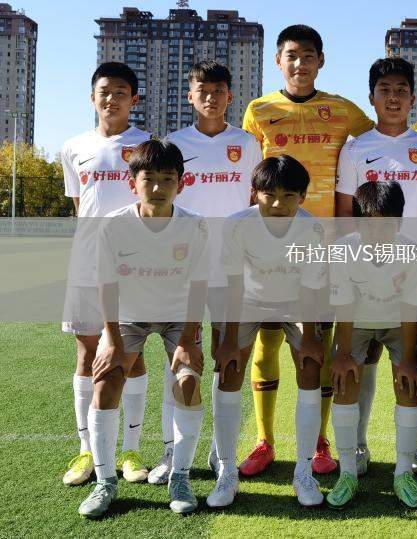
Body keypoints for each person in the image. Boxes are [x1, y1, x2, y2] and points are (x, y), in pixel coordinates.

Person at [78, 139, 209, 517]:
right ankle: (105, 482)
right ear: (132, 182)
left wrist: (188, 339)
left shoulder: (195, 225)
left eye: (167, 178)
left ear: (181, 183)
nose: (157, 186)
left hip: (178, 317)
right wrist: (111, 339)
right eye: (148, 178)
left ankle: (180, 476)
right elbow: (107, 284)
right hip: (129, 316)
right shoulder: (114, 225)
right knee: (106, 381)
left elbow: (199, 284)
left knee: (188, 382)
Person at [146, 60, 262, 486]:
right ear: (190, 95)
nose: (211, 97)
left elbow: (254, 203)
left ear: (230, 96)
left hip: (232, 272)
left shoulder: (247, 143)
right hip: (182, 271)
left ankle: (219, 451)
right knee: (179, 361)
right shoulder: (174, 143)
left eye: (218, 90)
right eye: (203, 90)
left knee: (226, 360)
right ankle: (171, 451)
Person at [334, 57, 417, 475]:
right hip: (367, 271)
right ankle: (357, 446)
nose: (394, 97)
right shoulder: (355, 148)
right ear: (372, 98)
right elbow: (345, 212)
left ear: (413, 98)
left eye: (402, 90)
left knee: (410, 361)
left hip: (414, 272)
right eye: (385, 90)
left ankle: (412, 449)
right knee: (361, 360)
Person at [216, 155, 327, 507]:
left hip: (296, 302)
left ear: (303, 196)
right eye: (270, 195)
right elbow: (233, 285)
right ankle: (226, 472)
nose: (279, 204)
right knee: (229, 369)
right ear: (254, 193)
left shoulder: (313, 229)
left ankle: (303, 472)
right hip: (248, 301)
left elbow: (310, 288)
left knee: (310, 365)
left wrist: (310, 338)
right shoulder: (236, 225)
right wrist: (229, 341)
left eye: (289, 195)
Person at [61, 62, 151, 487]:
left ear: (134, 99)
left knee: (132, 355)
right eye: (104, 91)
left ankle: (131, 450)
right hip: (88, 262)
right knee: (86, 353)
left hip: (137, 265)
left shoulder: (149, 145)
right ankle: (87, 451)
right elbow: (82, 207)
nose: (111, 98)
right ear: (91, 97)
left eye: (120, 91)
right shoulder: (73, 147)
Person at [327, 180, 417, 509]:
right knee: (344, 381)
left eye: (386, 224)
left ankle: (403, 473)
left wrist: (409, 359)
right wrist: (343, 356)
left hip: (399, 323)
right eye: (369, 224)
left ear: (400, 222)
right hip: (356, 323)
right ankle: (347, 473)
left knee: (409, 384)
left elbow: (410, 309)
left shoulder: (413, 252)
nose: (377, 232)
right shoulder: (343, 251)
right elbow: (344, 307)